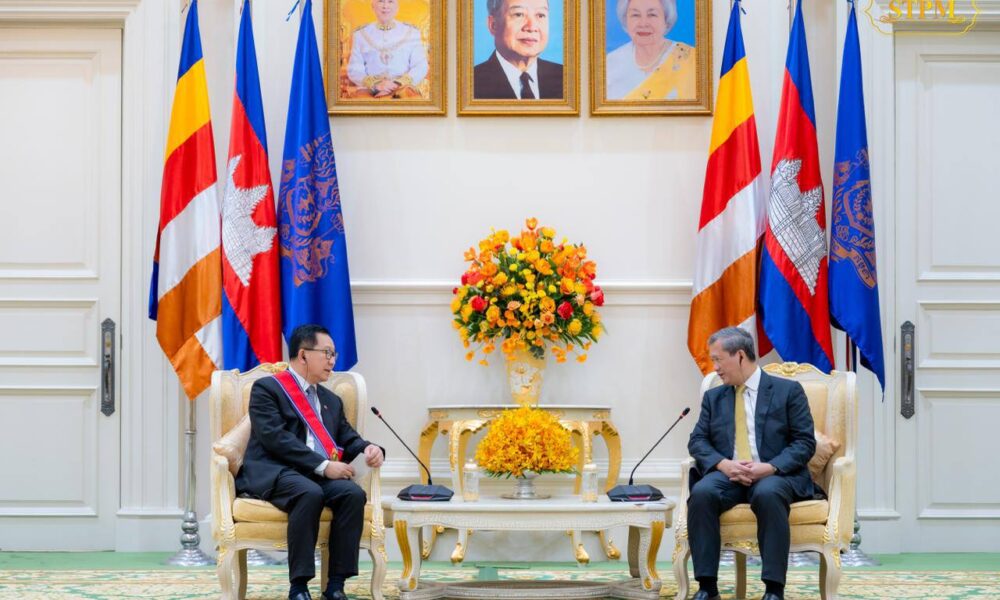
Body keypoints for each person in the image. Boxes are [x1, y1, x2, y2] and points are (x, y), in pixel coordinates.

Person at [236, 324, 385, 600]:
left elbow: (348, 438)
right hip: (277, 470)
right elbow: (275, 438)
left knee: (352, 494)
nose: (332, 360)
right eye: (327, 353)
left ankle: (335, 585)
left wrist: (370, 449)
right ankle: (299, 587)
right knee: (309, 492)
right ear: (303, 355)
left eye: (334, 354)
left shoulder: (331, 400)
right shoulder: (267, 389)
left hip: (315, 475)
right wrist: (324, 466)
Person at [686, 327, 816, 600]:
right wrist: (723, 464)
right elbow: (697, 441)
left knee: (768, 493)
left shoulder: (788, 391)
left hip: (774, 475)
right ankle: (707, 587)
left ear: (740, 356)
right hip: (729, 474)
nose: (715, 367)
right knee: (702, 492)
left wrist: (770, 467)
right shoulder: (714, 397)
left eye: (718, 359)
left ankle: (773, 589)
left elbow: (804, 442)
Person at [605, 0, 696, 100]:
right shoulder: (610, 64)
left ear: (666, 21)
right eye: (635, 15)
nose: (643, 23)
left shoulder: (691, 60)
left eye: (652, 15)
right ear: (626, 21)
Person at [473, 0, 564, 99]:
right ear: (493, 25)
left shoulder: (567, 78)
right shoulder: (470, 84)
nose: (531, 27)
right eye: (518, 14)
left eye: (540, 15)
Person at [345, 0, 429, 98]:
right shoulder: (360, 34)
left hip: (403, 89)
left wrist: (397, 84)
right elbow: (354, 69)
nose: (385, 6)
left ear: (397, 7)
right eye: (381, 1)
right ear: (373, 6)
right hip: (370, 90)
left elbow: (420, 66)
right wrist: (376, 85)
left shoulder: (412, 32)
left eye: (390, 2)